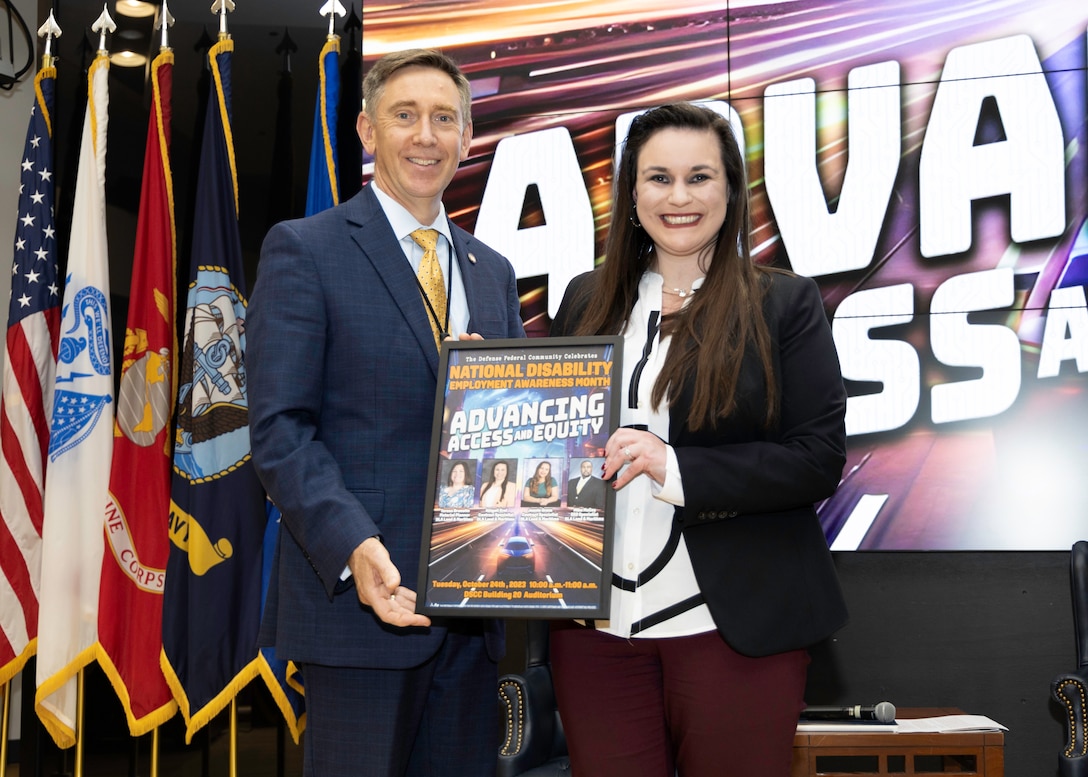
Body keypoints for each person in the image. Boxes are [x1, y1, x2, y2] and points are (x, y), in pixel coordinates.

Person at [548, 102, 849, 777]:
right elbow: (555, 435)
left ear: (731, 190)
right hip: (594, 634)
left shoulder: (784, 303)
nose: (678, 197)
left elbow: (817, 458)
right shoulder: (583, 298)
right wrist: (488, 390)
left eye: (699, 177)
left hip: (731, 628)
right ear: (632, 192)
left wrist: (673, 464)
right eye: (658, 177)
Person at [248, 48, 524, 777]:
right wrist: (356, 547)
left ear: (468, 137)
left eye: (444, 119)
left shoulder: (491, 271)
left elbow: (520, 434)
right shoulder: (305, 249)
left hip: (473, 614)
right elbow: (281, 430)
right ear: (368, 133)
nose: (426, 136)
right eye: (405, 116)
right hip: (360, 608)